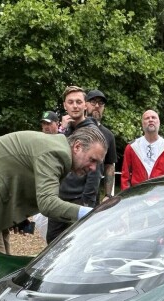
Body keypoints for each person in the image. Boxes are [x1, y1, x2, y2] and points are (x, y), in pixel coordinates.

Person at [0, 126, 107, 254]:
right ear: (77, 146)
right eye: (92, 160)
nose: (94, 168)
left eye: (97, 163)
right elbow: (48, 203)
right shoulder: (56, 153)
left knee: (2, 263)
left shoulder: (58, 151)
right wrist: (90, 213)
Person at [46, 86, 103, 243]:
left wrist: (86, 204)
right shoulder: (66, 130)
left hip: (79, 200)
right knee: (52, 243)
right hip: (60, 198)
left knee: (76, 246)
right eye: (71, 102)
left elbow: (95, 171)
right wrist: (61, 130)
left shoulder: (92, 132)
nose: (75, 106)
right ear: (65, 106)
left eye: (79, 102)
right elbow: (52, 156)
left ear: (85, 105)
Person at [121, 109, 164, 190]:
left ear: (159, 122)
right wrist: (126, 197)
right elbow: (125, 177)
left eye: (153, 117)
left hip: (160, 195)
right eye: (147, 118)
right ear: (142, 124)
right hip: (137, 195)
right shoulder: (132, 147)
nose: (150, 120)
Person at [85, 89, 117, 199]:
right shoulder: (74, 127)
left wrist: (108, 195)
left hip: (92, 195)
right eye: (93, 102)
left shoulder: (108, 135)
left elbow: (109, 165)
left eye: (101, 103)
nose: (97, 106)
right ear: (85, 105)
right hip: (67, 192)